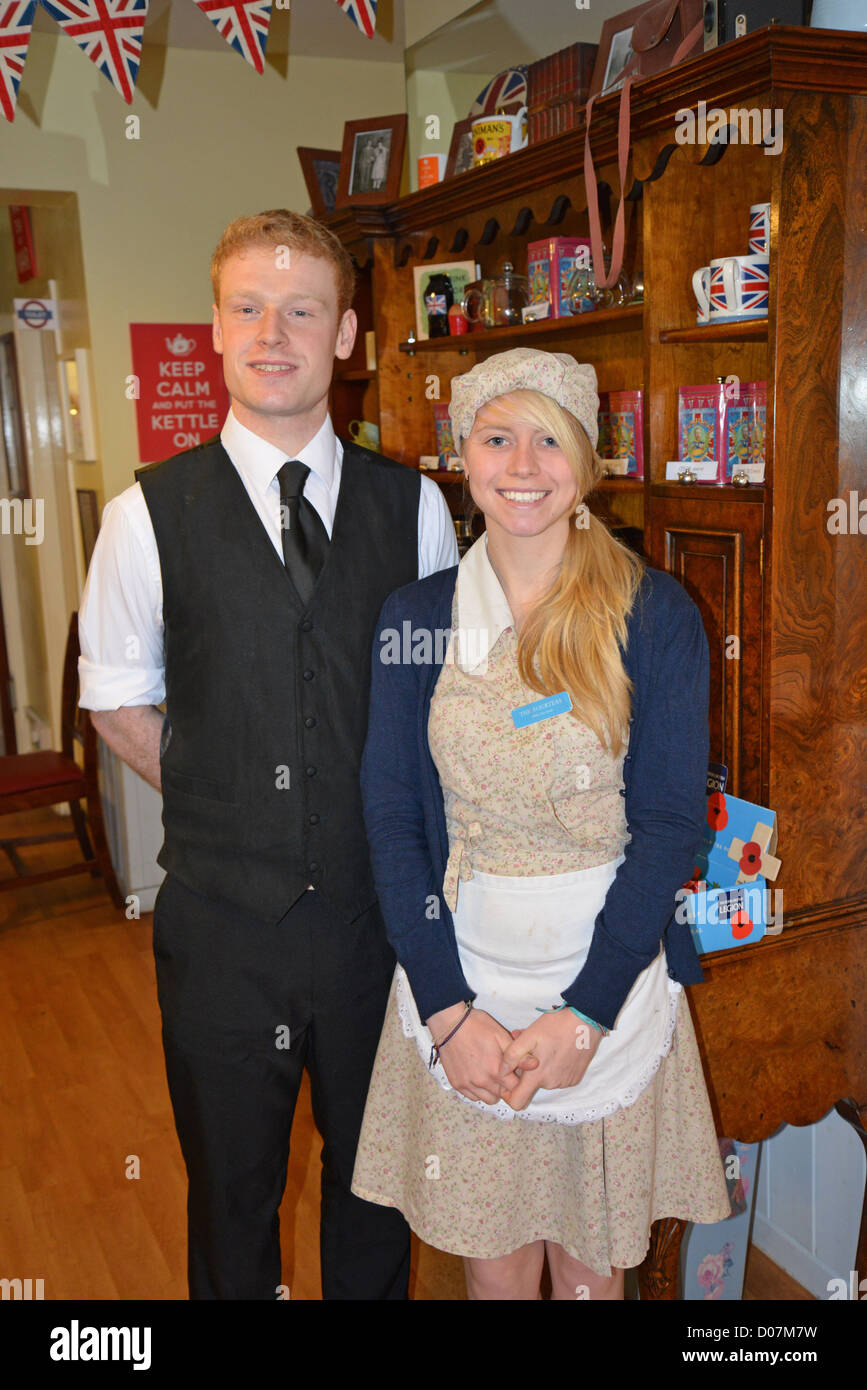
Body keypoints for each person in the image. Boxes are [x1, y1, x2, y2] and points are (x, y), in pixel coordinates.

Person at [77, 209, 459, 1300]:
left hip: (378, 923)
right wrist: (241, 804)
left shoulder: (417, 507)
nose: (274, 331)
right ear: (216, 327)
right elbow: (117, 703)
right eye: (249, 306)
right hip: (221, 931)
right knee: (231, 1197)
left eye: (303, 308)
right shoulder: (147, 516)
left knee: (377, 1186)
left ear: (347, 334)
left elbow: (440, 702)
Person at [351, 348, 731, 1300]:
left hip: (607, 982)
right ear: (464, 456)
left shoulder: (654, 612)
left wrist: (588, 1012)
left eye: (549, 438)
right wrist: (446, 1011)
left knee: (594, 1277)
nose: (523, 464)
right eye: (496, 437)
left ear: (585, 462)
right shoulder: (415, 618)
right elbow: (392, 818)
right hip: (466, 978)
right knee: (497, 1270)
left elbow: (669, 823)